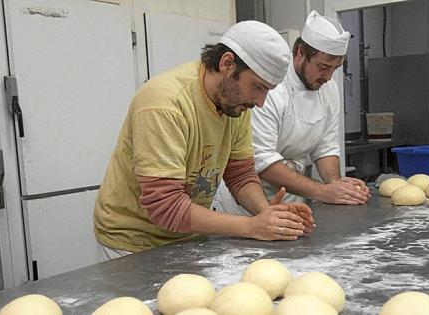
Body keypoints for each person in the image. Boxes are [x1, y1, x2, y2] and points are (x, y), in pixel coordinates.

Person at [93, 21, 314, 259]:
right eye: (257, 87)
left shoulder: (235, 104)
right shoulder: (165, 103)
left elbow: (240, 175)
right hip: (134, 242)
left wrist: (268, 214)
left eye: (267, 91)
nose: (260, 102)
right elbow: (164, 206)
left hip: (187, 234)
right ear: (227, 63)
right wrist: (251, 226)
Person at [213, 11, 370, 216]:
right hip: (243, 200)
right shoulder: (269, 87)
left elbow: (326, 146)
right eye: (323, 67)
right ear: (300, 52)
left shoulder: (328, 89)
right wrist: (322, 191)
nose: (328, 77)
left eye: (335, 68)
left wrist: (337, 185)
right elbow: (262, 160)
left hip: (291, 192)